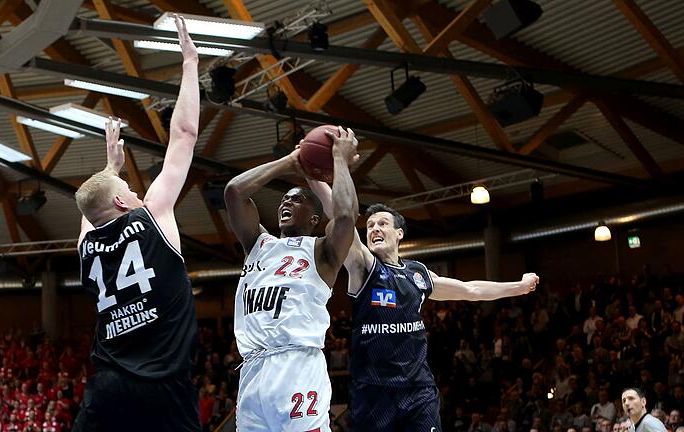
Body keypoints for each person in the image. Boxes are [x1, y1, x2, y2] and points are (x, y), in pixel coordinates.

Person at [301, 188, 540, 432]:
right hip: (374, 393)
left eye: (382, 223)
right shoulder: (363, 267)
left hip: (418, 390)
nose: (374, 229)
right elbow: (342, 218)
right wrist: (315, 174)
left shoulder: (418, 274)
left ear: (399, 233)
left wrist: (518, 287)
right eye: (370, 225)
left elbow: (471, 290)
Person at [72, 14, 201, 432]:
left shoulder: (87, 245)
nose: (134, 188)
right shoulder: (154, 215)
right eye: (126, 184)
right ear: (120, 200)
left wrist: (110, 168)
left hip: (108, 389)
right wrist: (189, 63)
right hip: (165, 388)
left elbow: (89, 212)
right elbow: (183, 135)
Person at [224, 126, 359, 431]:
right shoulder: (258, 243)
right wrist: (290, 160)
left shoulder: (322, 251)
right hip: (253, 371)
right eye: (284, 199)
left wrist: (339, 160)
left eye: (296, 200)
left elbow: (346, 216)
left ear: (314, 219)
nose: (286, 203)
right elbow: (234, 191)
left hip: (297, 366)